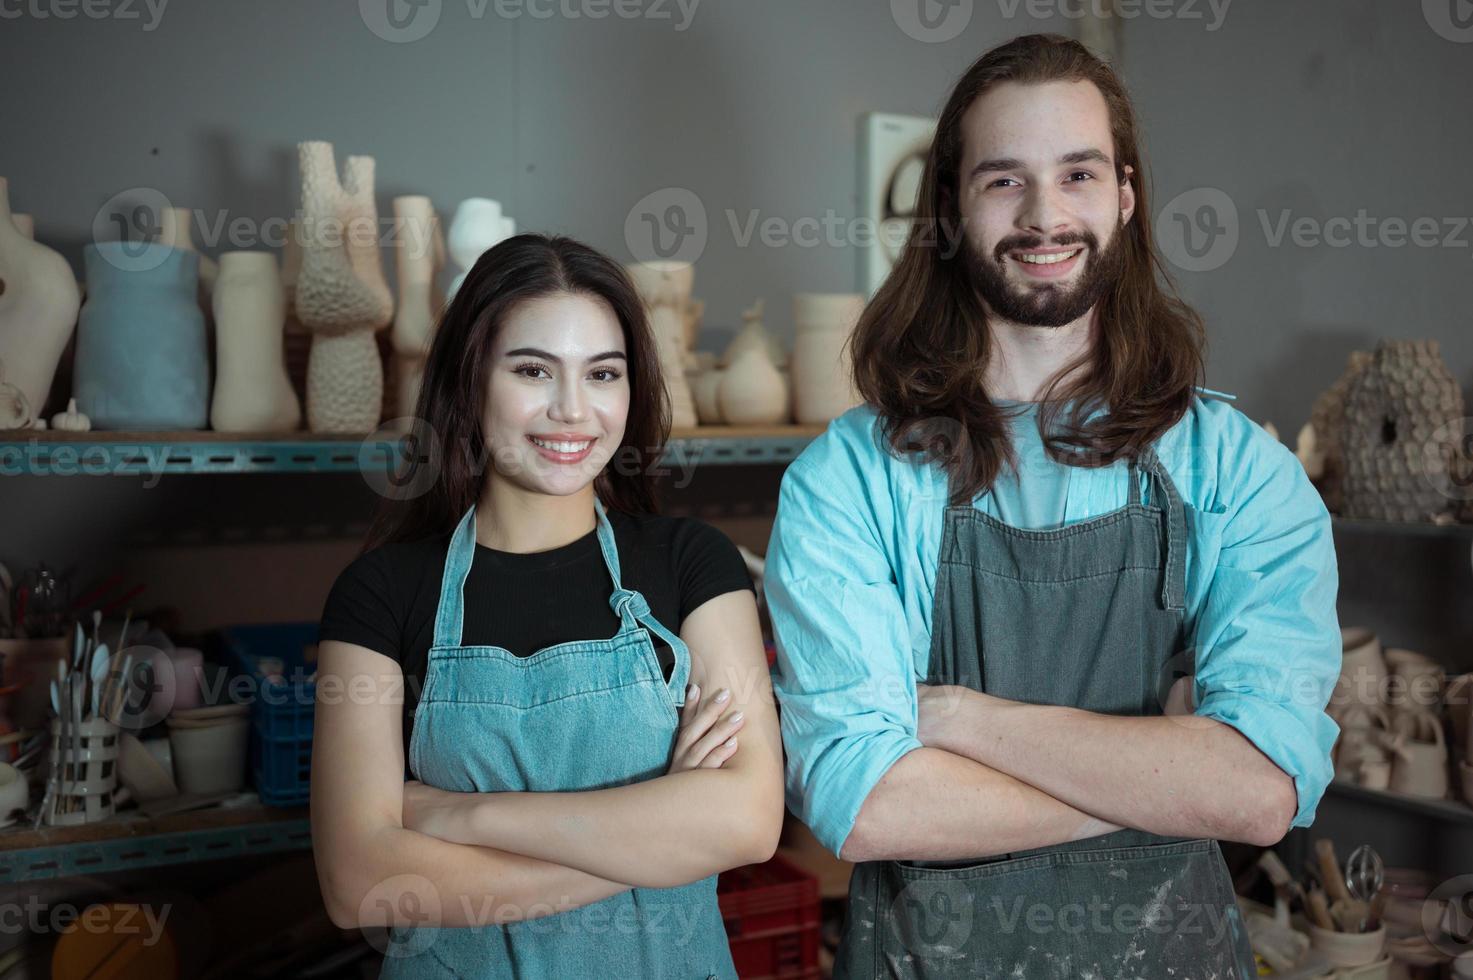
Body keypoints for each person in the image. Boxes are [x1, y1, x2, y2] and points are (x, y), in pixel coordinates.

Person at [765, 34, 1339, 979]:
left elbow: (1259, 793)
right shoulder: (850, 479)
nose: (1043, 216)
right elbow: (867, 806)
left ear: (1124, 194)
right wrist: (1170, 773)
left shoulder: (1239, 475)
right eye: (1003, 180)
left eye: (1075, 173)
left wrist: (954, 720)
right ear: (950, 208)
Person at [312, 233, 783, 979]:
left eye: (603, 373)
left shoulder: (691, 564)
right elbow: (360, 883)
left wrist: (461, 816)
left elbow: (749, 823)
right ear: (471, 380)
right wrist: (659, 838)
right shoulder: (381, 594)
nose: (572, 411)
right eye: (533, 370)